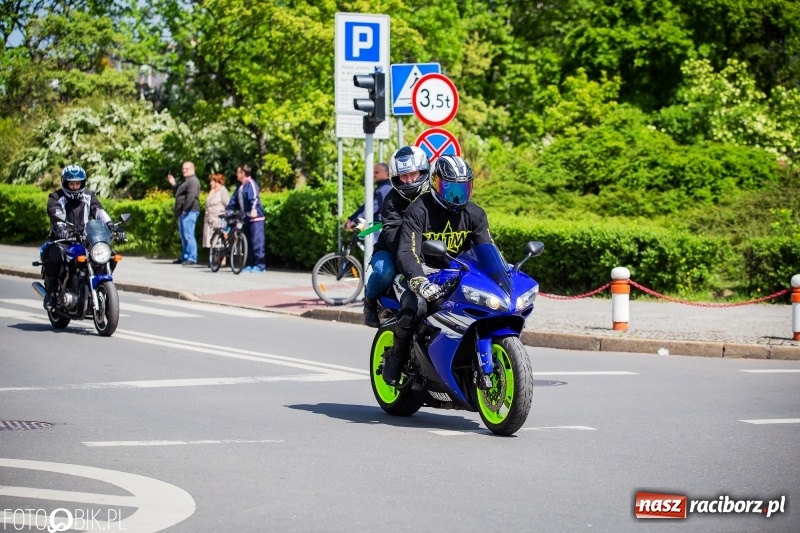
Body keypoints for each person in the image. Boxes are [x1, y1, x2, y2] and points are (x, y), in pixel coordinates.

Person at [382, 154, 494, 386]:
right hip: (418, 272)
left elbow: (488, 250)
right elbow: (406, 251)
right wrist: (419, 281)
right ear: (435, 183)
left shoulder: (475, 214)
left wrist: (501, 272)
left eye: (463, 189)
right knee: (417, 307)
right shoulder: (418, 210)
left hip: (455, 274)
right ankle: (396, 356)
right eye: (450, 188)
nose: (457, 196)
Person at [362, 147, 430, 327]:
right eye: (404, 176)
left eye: (413, 174)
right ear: (396, 177)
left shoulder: (432, 197)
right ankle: (369, 301)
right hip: (391, 250)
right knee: (384, 271)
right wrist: (415, 261)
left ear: (423, 171)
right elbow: (393, 237)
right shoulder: (391, 200)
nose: (409, 180)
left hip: (425, 251)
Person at [43, 164, 114, 310]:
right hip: (64, 239)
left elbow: (98, 210)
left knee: (110, 255)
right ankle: (51, 292)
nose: (75, 187)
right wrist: (61, 229)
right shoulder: (55, 197)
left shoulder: (89, 196)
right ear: (65, 183)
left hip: (85, 239)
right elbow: (55, 212)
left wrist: (111, 225)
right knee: (56, 255)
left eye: (78, 183)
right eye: (71, 184)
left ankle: (98, 284)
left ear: (83, 183)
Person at [227, 164, 266, 272]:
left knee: (257, 241)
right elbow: (233, 200)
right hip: (246, 218)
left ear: (243, 173)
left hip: (255, 218)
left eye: (238, 172)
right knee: (248, 241)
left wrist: (254, 210)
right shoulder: (240, 186)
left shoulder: (251, 184)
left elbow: (254, 198)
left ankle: (260, 265)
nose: (236, 174)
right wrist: (228, 210)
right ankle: (251, 263)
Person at [167, 161, 201, 266]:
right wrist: (173, 183)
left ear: (192, 169)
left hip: (190, 211)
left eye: (186, 169)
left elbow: (192, 196)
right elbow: (179, 193)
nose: (184, 171)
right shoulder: (186, 181)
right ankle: (185, 256)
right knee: (183, 235)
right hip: (184, 212)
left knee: (189, 235)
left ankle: (192, 257)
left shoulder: (193, 181)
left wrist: (185, 209)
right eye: (183, 169)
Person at [344, 163, 391, 231]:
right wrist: (351, 218)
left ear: (386, 173)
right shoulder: (381, 188)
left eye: (376, 172)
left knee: (363, 236)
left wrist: (355, 221)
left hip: (379, 226)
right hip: (374, 224)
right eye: (373, 172)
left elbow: (372, 208)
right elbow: (366, 206)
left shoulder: (385, 189)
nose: (374, 175)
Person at [202, 172, 231, 249]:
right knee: (211, 244)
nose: (210, 183)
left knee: (219, 244)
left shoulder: (222, 190)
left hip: (219, 220)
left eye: (212, 181)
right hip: (210, 221)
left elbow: (228, 204)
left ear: (217, 181)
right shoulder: (212, 191)